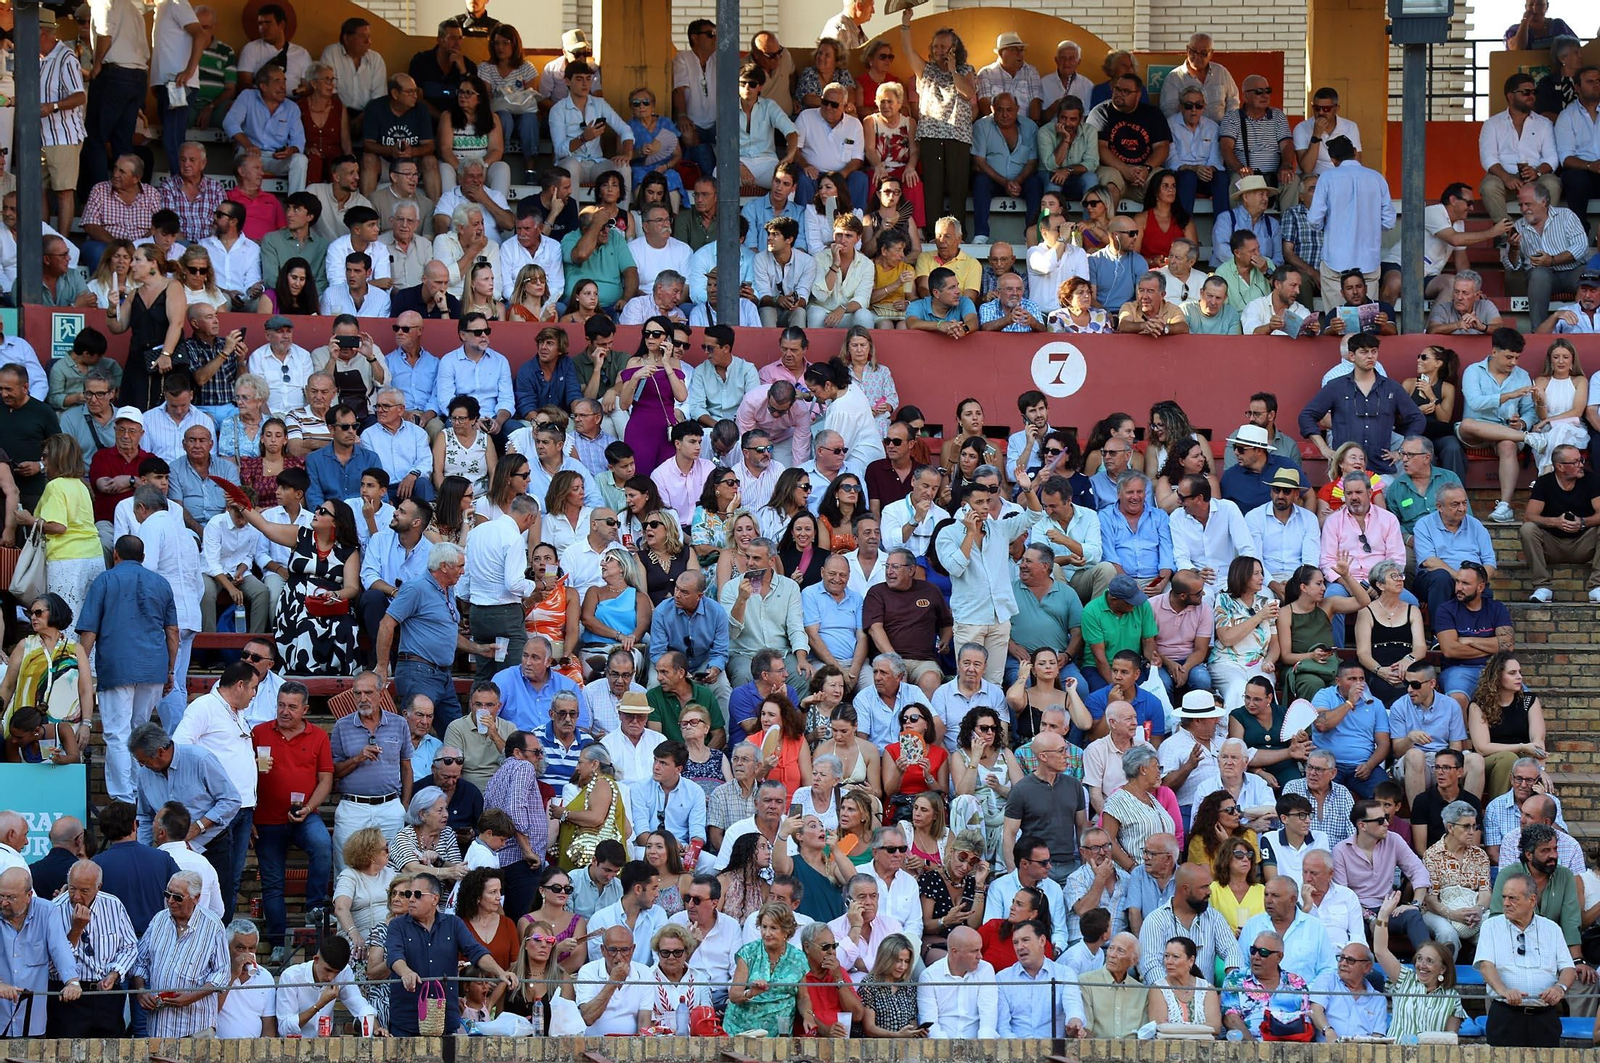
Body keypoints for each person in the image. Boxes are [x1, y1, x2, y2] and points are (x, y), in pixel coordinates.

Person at [1476, 872, 1576, 1046]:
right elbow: (1486, 966)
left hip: (1544, 1016)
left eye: (1513, 898)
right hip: (1505, 1015)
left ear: (1532, 900)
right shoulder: (1491, 926)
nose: (1506, 903)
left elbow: (1568, 968)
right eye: (1504, 897)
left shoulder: (1551, 928)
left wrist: (1560, 988)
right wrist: (1504, 991)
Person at [128, 870, 230, 1037]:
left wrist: (192, 996)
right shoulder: (159, 920)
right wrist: (141, 991)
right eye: (167, 894)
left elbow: (222, 973)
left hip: (197, 1024)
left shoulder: (212, 926)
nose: (170, 901)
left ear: (196, 898)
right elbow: (140, 962)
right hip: (160, 1024)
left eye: (177, 897)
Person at [1520, 443, 1600, 603]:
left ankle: (1597, 587)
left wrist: (1582, 522)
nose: (1581, 465)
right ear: (1560, 467)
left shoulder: (1591, 479)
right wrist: (1555, 522)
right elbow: (1529, 516)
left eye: (1581, 460)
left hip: (1583, 544)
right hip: (1552, 546)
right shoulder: (1544, 482)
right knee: (1527, 529)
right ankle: (1542, 586)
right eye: (1576, 462)